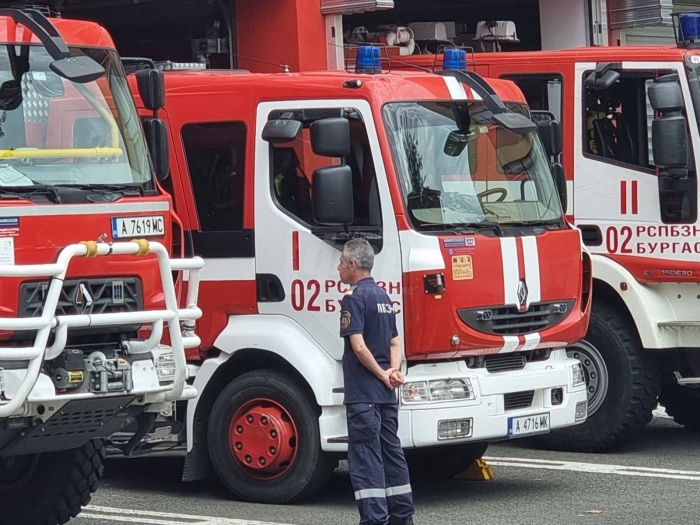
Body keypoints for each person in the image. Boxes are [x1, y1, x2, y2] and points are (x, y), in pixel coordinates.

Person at [337, 238, 415, 525]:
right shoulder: (383, 297)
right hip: (385, 396)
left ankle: (374, 520)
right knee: (391, 453)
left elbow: (357, 347)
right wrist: (393, 372)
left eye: (342, 263)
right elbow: (396, 344)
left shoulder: (353, 298)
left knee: (366, 458)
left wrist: (382, 375)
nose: (338, 268)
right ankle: (402, 516)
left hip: (363, 395)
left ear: (353, 265)